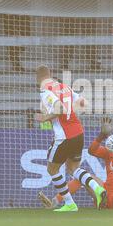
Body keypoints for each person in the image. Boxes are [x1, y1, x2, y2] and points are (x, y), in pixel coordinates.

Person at [34, 65, 106, 212]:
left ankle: (70, 204)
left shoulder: (45, 90)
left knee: (52, 169)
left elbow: (59, 109)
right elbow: (84, 103)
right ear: (51, 74)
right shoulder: (65, 87)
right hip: (78, 132)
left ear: (38, 78)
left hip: (64, 136)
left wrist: (44, 118)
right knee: (73, 168)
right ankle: (97, 188)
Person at [39, 116, 113, 209]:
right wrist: (101, 135)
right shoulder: (111, 151)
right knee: (82, 178)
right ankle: (54, 202)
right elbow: (92, 150)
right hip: (105, 190)